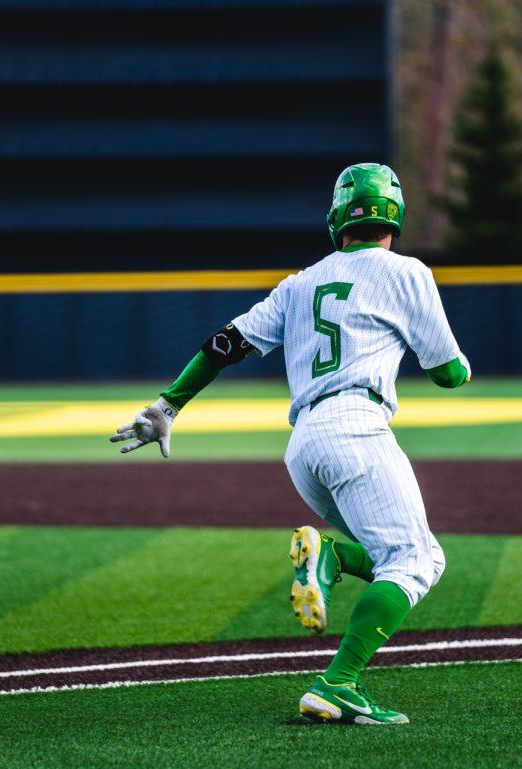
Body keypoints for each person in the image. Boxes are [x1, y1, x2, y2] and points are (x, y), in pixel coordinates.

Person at [110, 163, 471, 724]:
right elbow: (447, 373)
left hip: (305, 446)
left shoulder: (300, 283)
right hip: (357, 427)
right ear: (395, 215)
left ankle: (326, 557)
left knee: (397, 557)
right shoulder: (407, 273)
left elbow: (225, 343)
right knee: (415, 560)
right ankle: (338, 683)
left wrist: (168, 405)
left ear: (335, 219)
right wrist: (462, 367)